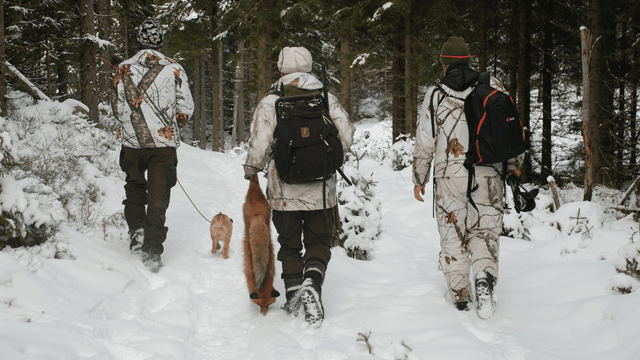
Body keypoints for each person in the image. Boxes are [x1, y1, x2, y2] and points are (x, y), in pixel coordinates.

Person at [412, 36, 523, 319]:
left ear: (444, 62)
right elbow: (511, 128)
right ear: (469, 60)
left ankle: (461, 295)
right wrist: (513, 165)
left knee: (453, 232)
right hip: (489, 173)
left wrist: (419, 177)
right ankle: (484, 277)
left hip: (449, 176)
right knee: (484, 231)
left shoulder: (436, 95)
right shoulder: (492, 86)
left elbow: (425, 140)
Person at [244, 46, 354, 327]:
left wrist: (251, 170)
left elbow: (259, 142)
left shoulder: (271, 101)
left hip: (283, 190)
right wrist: (327, 159)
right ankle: (312, 284)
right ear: (309, 67)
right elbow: (346, 133)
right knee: (319, 241)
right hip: (321, 189)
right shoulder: (325, 97)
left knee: (289, 244)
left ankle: (293, 293)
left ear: (281, 69)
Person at [111, 19, 194, 273]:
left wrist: (135, 124)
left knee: (135, 189)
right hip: (163, 146)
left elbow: (117, 109)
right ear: (160, 41)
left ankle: (136, 235)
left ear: (139, 39)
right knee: (159, 197)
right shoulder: (174, 68)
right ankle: (152, 251)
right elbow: (186, 111)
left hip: (133, 145)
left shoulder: (123, 68)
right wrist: (170, 122)